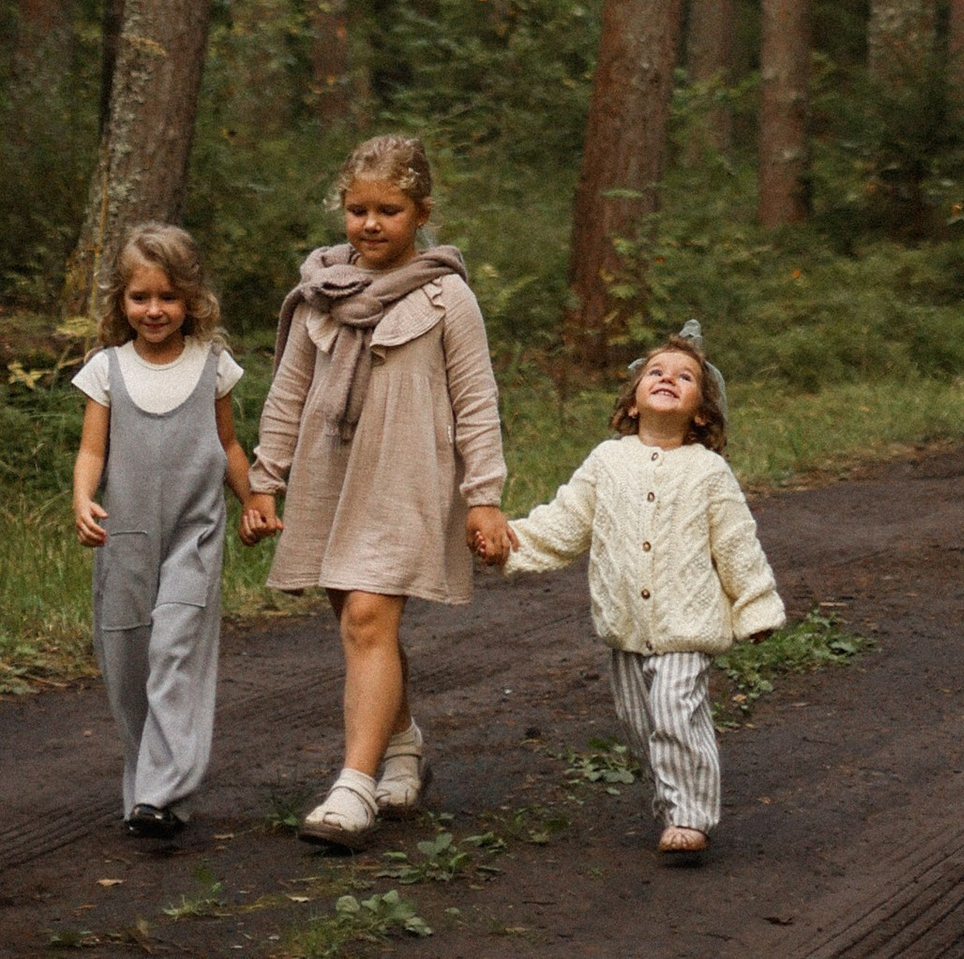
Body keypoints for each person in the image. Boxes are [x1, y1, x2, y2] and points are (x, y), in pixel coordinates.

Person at [242, 130, 513, 848]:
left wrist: (483, 493)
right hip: (331, 473)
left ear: (420, 213)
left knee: (367, 617)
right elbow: (288, 391)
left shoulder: (447, 296)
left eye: (388, 209)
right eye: (357, 208)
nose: (370, 223)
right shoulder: (318, 292)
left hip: (405, 474)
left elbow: (476, 399)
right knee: (356, 620)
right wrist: (265, 482)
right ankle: (401, 747)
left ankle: (351, 788)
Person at [503, 327, 783, 866]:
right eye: (655, 372)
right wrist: (506, 544)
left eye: (684, 377)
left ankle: (689, 818)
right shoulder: (607, 462)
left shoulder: (709, 471)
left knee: (676, 711)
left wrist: (756, 604)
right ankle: (671, 804)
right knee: (642, 727)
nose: (667, 379)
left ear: (702, 413)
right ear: (632, 400)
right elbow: (564, 524)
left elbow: (736, 544)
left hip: (686, 625)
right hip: (626, 629)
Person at [70, 223, 270, 840]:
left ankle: (164, 790)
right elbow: (91, 452)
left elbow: (230, 444)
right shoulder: (107, 369)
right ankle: (149, 791)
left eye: (167, 297)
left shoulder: (212, 365)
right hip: (124, 540)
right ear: (120, 302)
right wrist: (82, 498)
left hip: (194, 536)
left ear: (190, 299)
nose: (153, 310)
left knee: (173, 653)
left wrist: (254, 500)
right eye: (139, 298)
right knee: (128, 662)